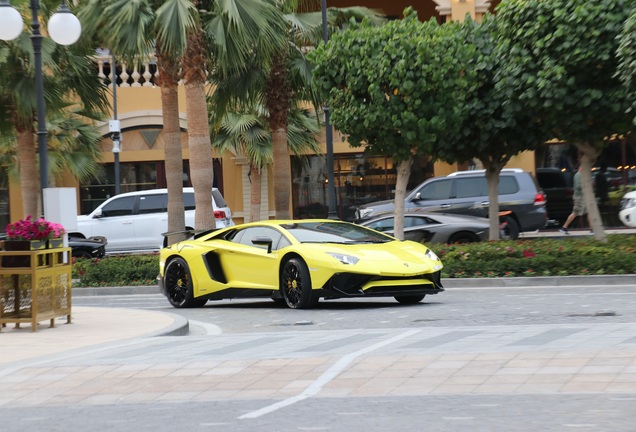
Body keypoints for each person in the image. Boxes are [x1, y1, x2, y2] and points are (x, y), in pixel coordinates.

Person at [560, 166, 586, 234]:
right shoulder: (578, 175)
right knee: (575, 213)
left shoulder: (581, 175)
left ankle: (593, 229)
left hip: (582, 197)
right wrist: (586, 185)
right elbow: (578, 186)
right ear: (581, 168)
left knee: (589, 212)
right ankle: (564, 227)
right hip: (579, 197)